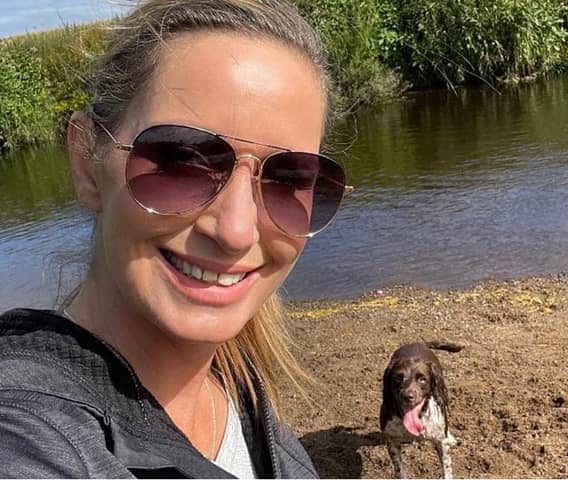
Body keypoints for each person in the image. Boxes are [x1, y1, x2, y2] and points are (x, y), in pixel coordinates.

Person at [0, 0, 352, 477]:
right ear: (87, 163)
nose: (235, 231)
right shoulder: (27, 434)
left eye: (289, 179)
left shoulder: (237, 385)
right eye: (179, 162)